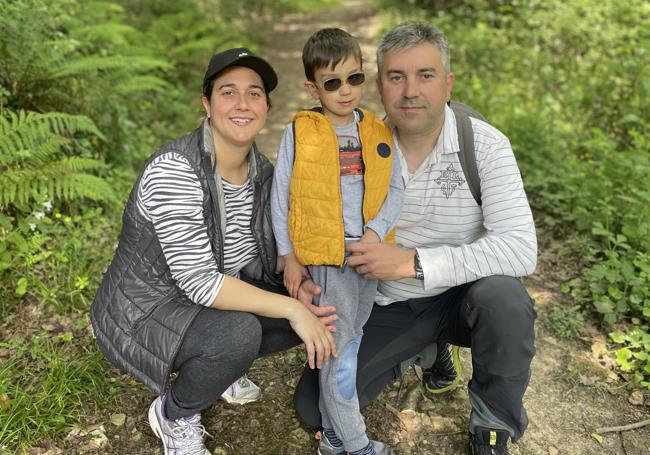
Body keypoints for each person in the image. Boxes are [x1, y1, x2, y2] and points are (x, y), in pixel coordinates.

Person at [293, 21, 537, 455]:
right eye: (396, 77)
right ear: (380, 86)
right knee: (314, 409)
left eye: (425, 75)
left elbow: (521, 247)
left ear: (447, 83)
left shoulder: (485, 146)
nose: (410, 91)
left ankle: (493, 424)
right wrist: (306, 270)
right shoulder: (358, 148)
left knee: (505, 299)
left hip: (466, 297)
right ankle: (425, 349)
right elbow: (318, 220)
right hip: (392, 302)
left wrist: (412, 262)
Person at [90, 47, 337, 455]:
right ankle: (173, 415)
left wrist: (301, 283)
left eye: (254, 93)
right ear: (206, 104)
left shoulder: (263, 172)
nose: (242, 103)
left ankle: (220, 369)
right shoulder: (176, 171)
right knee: (242, 333)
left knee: (316, 300)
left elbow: (271, 250)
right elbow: (200, 283)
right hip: (144, 311)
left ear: (266, 106)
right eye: (228, 92)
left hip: (209, 295)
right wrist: (292, 310)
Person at [271, 28, 403, 455]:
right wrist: (287, 255)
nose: (346, 91)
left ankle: (332, 433)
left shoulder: (378, 131)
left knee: (352, 338)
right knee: (339, 349)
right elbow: (281, 197)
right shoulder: (302, 131)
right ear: (313, 87)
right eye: (332, 83)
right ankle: (354, 442)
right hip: (329, 262)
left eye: (355, 79)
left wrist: (374, 234)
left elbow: (395, 188)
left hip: (369, 255)